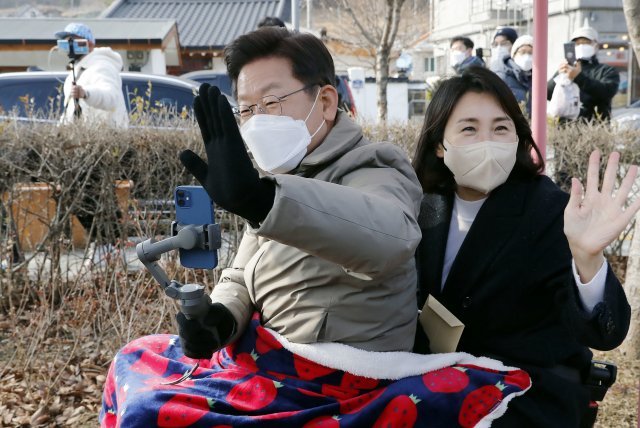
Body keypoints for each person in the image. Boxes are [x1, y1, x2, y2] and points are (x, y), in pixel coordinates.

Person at [100, 28, 534, 427]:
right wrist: (220, 317)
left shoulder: (374, 165)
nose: (256, 120)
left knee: (149, 413)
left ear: (325, 102)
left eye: (271, 103)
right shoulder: (281, 176)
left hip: (332, 377)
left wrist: (263, 200)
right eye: (247, 109)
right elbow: (244, 272)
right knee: (133, 359)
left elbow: (390, 236)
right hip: (264, 356)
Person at [412, 66, 634, 427]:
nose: (488, 141)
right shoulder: (422, 204)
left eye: (501, 128)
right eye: (469, 128)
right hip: (435, 383)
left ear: (517, 137)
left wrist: (588, 260)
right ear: (440, 143)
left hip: (528, 395)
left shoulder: (548, 210)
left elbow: (604, 332)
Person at [55, 22, 128, 128]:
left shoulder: (102, 66)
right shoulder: (77, 71)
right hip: (84, 138)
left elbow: (111, 98)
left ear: (89, 44)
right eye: (66, 41)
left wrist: (86, 93)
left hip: (104, 138)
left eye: (73, 40)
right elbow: (70, 108)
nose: (69, 45)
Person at [547, 25, 620, 122]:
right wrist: (559, 76)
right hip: (565, 130)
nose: (581, 46)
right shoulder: (567, 69)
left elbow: (606, 91)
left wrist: (578, 77)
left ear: (596, 45)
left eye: (586, 42)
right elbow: (547, 93)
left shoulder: (606, 70)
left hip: (595, 131)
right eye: (577, 43)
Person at [495, 35, 533, 116]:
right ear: (514, 54)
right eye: (522, 52)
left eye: (531, 53)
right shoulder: (502, 77)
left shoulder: (536, 78)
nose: (527, 56)